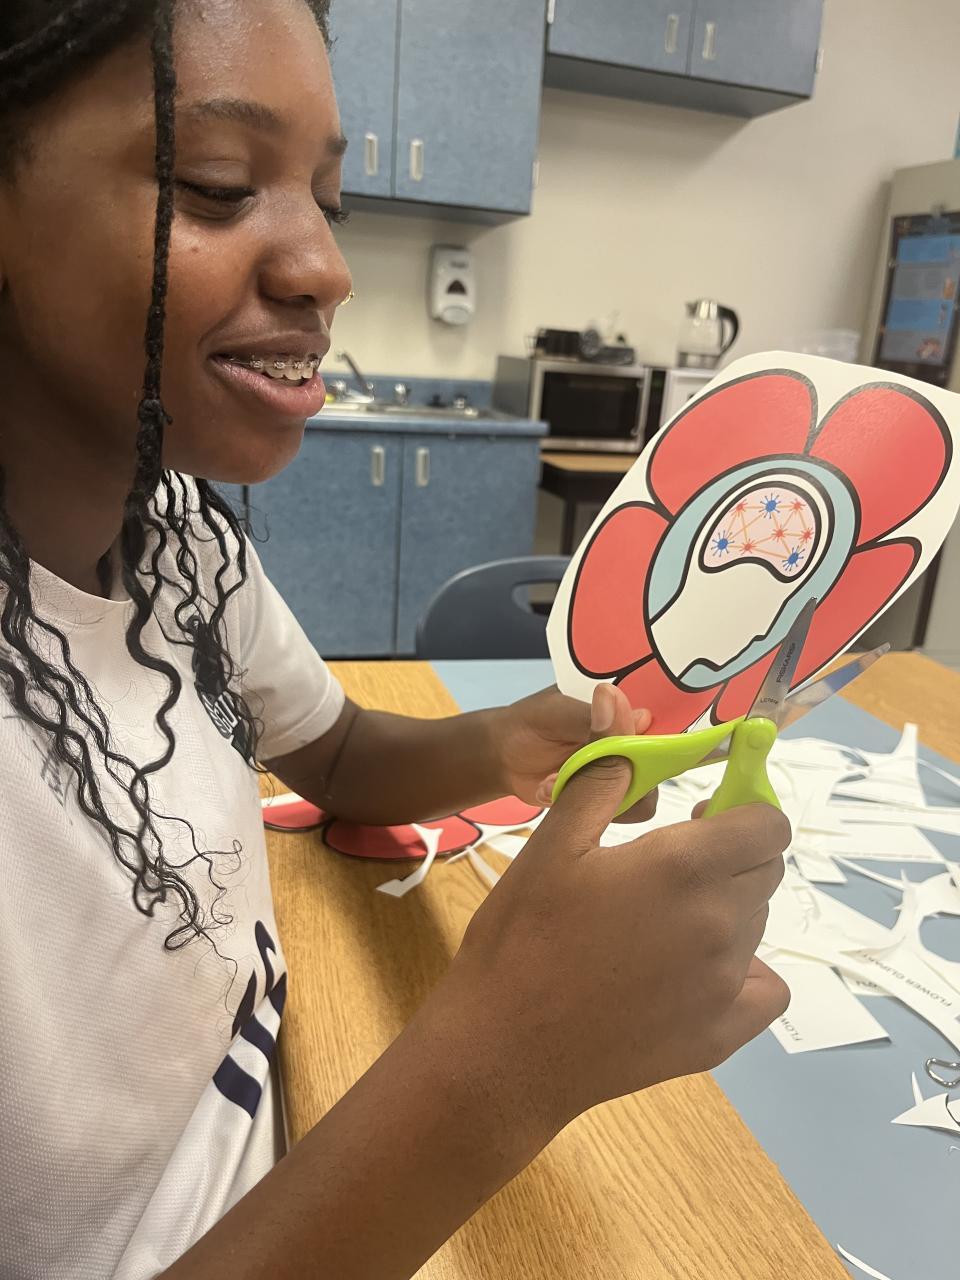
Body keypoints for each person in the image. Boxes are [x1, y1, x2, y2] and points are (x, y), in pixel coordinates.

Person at [0, 2, 791, 1277]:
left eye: (328, 199)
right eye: (218, 185)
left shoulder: (179, 545)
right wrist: (510, 1056)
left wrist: (505, 742)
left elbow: (339, 752)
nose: (325, 266)